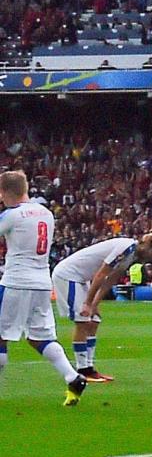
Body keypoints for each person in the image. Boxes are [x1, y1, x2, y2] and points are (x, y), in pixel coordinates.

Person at [0, 170, 86, 403]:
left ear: (4, 192)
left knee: (0, 336)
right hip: (41, 283)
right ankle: (72, 377)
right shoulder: (46, 213)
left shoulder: (11, 215)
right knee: (40, 337)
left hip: (16, 282)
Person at [49, 228, 152, 385]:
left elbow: (112, 278)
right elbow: (101, 274)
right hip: (69, 275)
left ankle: (89, 367)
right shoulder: (125, 248)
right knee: (83, 320)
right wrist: (87, 303)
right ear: (149, 247)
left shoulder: (132, 255)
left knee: (94, 320)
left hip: (82, 278)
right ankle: (82, 370)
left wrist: (95, 303)